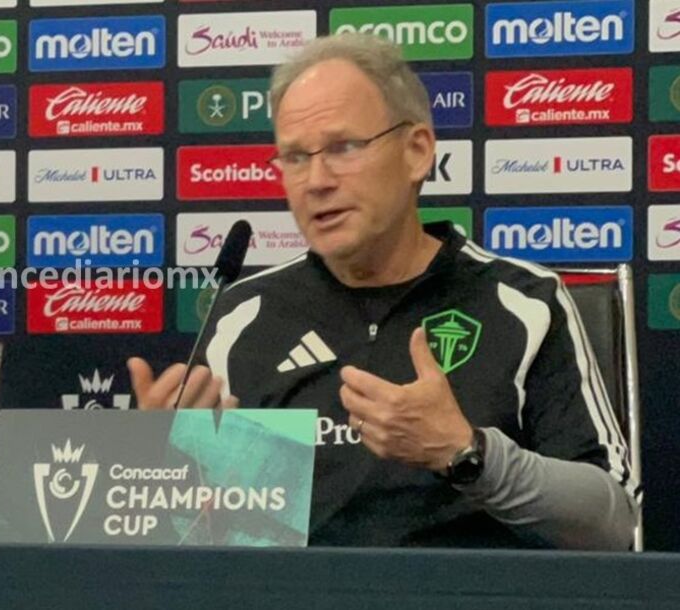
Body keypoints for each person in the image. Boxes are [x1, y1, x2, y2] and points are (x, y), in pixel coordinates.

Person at [128, 33, 638, 549]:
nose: (316, 180)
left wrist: (465, 453)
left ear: (416, 152)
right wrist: (165, 477)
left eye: (343, 148)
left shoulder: (523, 301)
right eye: (295, 157)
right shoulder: (244, 315)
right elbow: (199, 544)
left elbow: (613, 524)